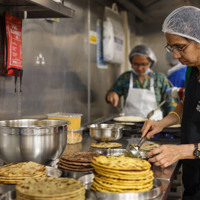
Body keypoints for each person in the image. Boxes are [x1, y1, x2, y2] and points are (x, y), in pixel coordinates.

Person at [141, 6, 200, 200]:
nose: (174, 55)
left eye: (180, 47)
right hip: (194, 176)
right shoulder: (193, 70)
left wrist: (180, 151)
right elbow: (187, 105)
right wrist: (161, 123)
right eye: (171, 47)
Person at [106, 44, 176, 120]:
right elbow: (112, 93)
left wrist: (172, 122)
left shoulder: (160, 79)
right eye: (135, 64)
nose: (139, 68)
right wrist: (112, 94)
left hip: (155, 124)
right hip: (128, 123)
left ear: (150, 63)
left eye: (144, 64)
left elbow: (170, 104)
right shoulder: (125, 78)